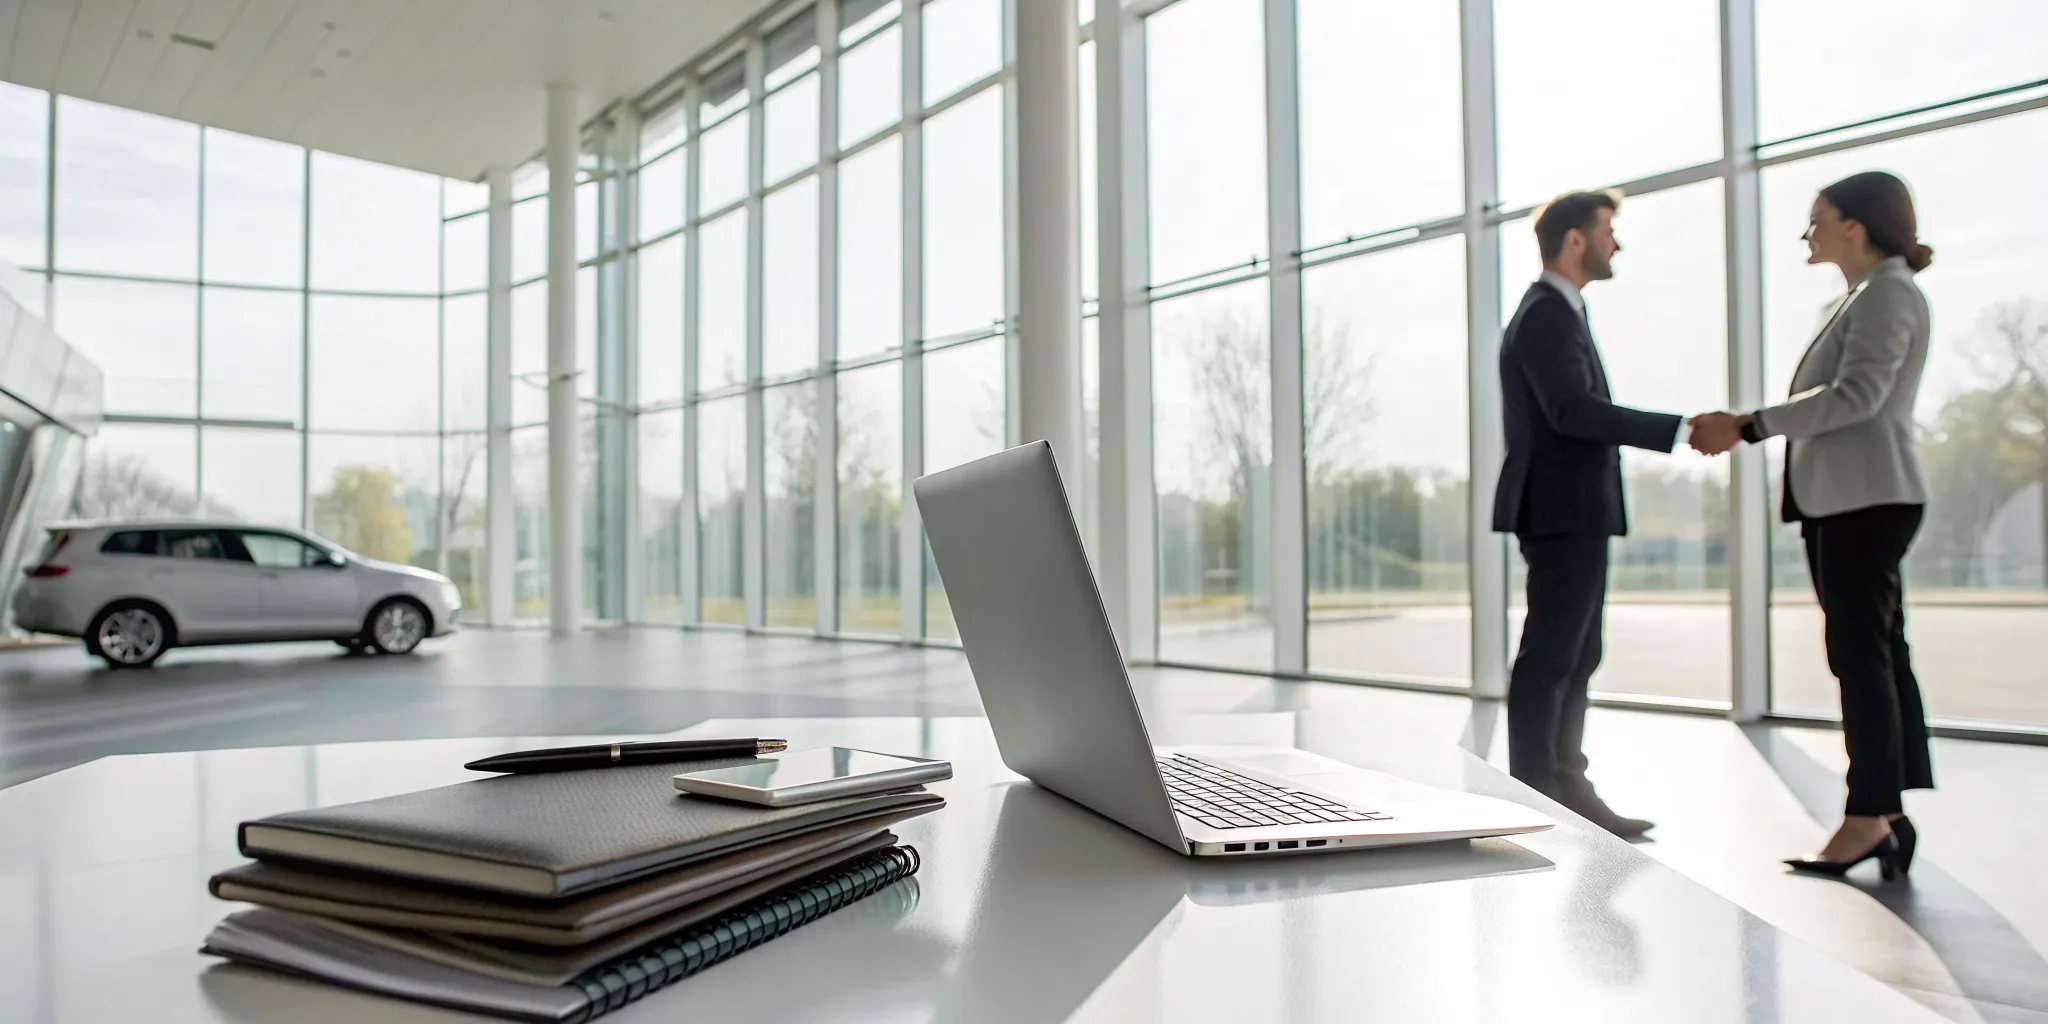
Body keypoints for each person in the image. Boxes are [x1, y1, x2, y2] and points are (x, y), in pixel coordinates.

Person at [1688, 171, 1934, 879]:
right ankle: (1884, 814)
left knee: (1861, 658)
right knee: (1878, 654)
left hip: (1865, 500)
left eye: (1817, 219)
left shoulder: (1887, 291)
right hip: (1851, 499)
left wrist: (1751, 425)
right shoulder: (1866, 294)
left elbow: (1857, 396)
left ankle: (1867, 817)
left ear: (1855, 225)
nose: (1808, 232)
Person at [1492, 190, 1688, 839]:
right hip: (1561, 508)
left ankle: (1564, 782)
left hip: (1571, 507)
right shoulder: (1546, 314)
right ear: (1575, 240)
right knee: (1552, 653)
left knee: (1577, 651)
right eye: (1608, 231)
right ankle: (1537, 792)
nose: (1615, 244)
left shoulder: (1558, 310)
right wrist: (1678, 429)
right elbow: (1572, 412)